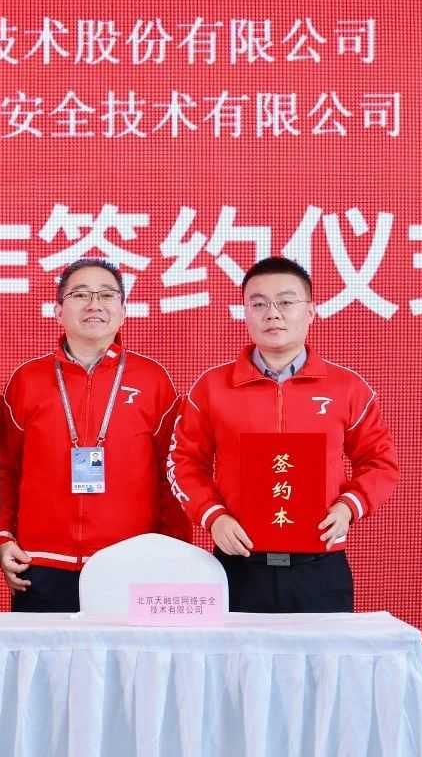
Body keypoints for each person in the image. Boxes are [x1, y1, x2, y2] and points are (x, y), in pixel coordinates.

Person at [168, 256, 399, 613]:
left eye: (286, 302)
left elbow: (380, 462)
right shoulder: (211, 388)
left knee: (324, 652)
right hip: (238, 564)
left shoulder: (347, 388)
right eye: (258, 304)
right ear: (245, 313)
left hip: (320, 567)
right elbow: (184, 462)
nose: (272, 314)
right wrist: (213, 516)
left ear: (311, 311)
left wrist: (348, 507)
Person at [0, 258, 191, 612]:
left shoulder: (153, 379)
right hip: (40, 563)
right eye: (80, 294)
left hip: (131, 563)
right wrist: (2, 537)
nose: (94, 304)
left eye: (106, 295)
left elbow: (172, 473)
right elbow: (2, 468)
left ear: (123, 311)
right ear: (58, 311)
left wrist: (172, 551)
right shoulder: (27, 379)